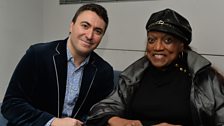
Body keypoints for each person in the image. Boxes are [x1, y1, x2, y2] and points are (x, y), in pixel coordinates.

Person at [86, 8, 224, 126]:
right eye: (151, 40)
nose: (157, 47)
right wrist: (120, 121)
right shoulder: (133, 76)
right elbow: (100, 109)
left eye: (167, 40)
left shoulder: (204, 79)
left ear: (181, 45)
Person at [1, 3, 115, 126]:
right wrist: (53, 122)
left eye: (98, 31)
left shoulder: (104, 71)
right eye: (85, 26)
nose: (89, 35)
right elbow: (11, 104)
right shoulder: (38, 55)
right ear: (71, 26)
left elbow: (100, 114)